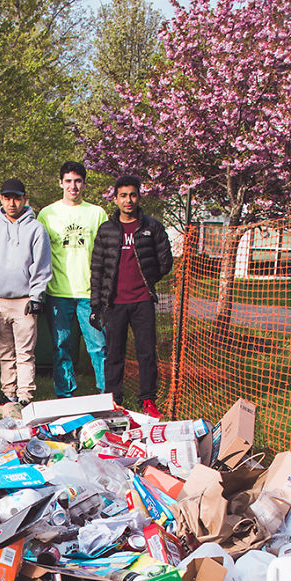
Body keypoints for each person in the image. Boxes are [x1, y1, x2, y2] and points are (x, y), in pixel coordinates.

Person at [89, 173, 173, 417]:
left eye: (133, 195)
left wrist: (147, 279)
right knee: (113, 353)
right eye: (123, 195)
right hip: (114, 303)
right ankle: (113, 399)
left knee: (146, 352)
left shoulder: (151, 227)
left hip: (142, 301)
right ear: (115, 199)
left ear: (139, 197)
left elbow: (165, 261)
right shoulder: (106, 230)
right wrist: (96, 306)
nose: (128, 200)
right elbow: (97, 270)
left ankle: (147, 400)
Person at [0, 178, 51, 405]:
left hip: (24, 301)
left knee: (25, 352)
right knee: (4, 352)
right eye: (7, 198)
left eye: (17, 198)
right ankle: (8, 393)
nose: (12, 203)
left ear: (24, 199)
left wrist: (36, 296)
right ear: (1, 199)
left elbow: (41, 264)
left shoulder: (36, 229)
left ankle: (25, 395)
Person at [37, 161, 107, 398]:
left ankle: (106, 394)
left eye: (77, 181)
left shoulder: (96, 213)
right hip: (58, 292)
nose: (73, 186)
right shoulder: (47, 214)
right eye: (68, 181)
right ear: (60, 183)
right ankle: (65, 395)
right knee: (61, 347)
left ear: (84, 183)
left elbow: (106, 252)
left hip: (89, 294)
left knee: (98, 347)